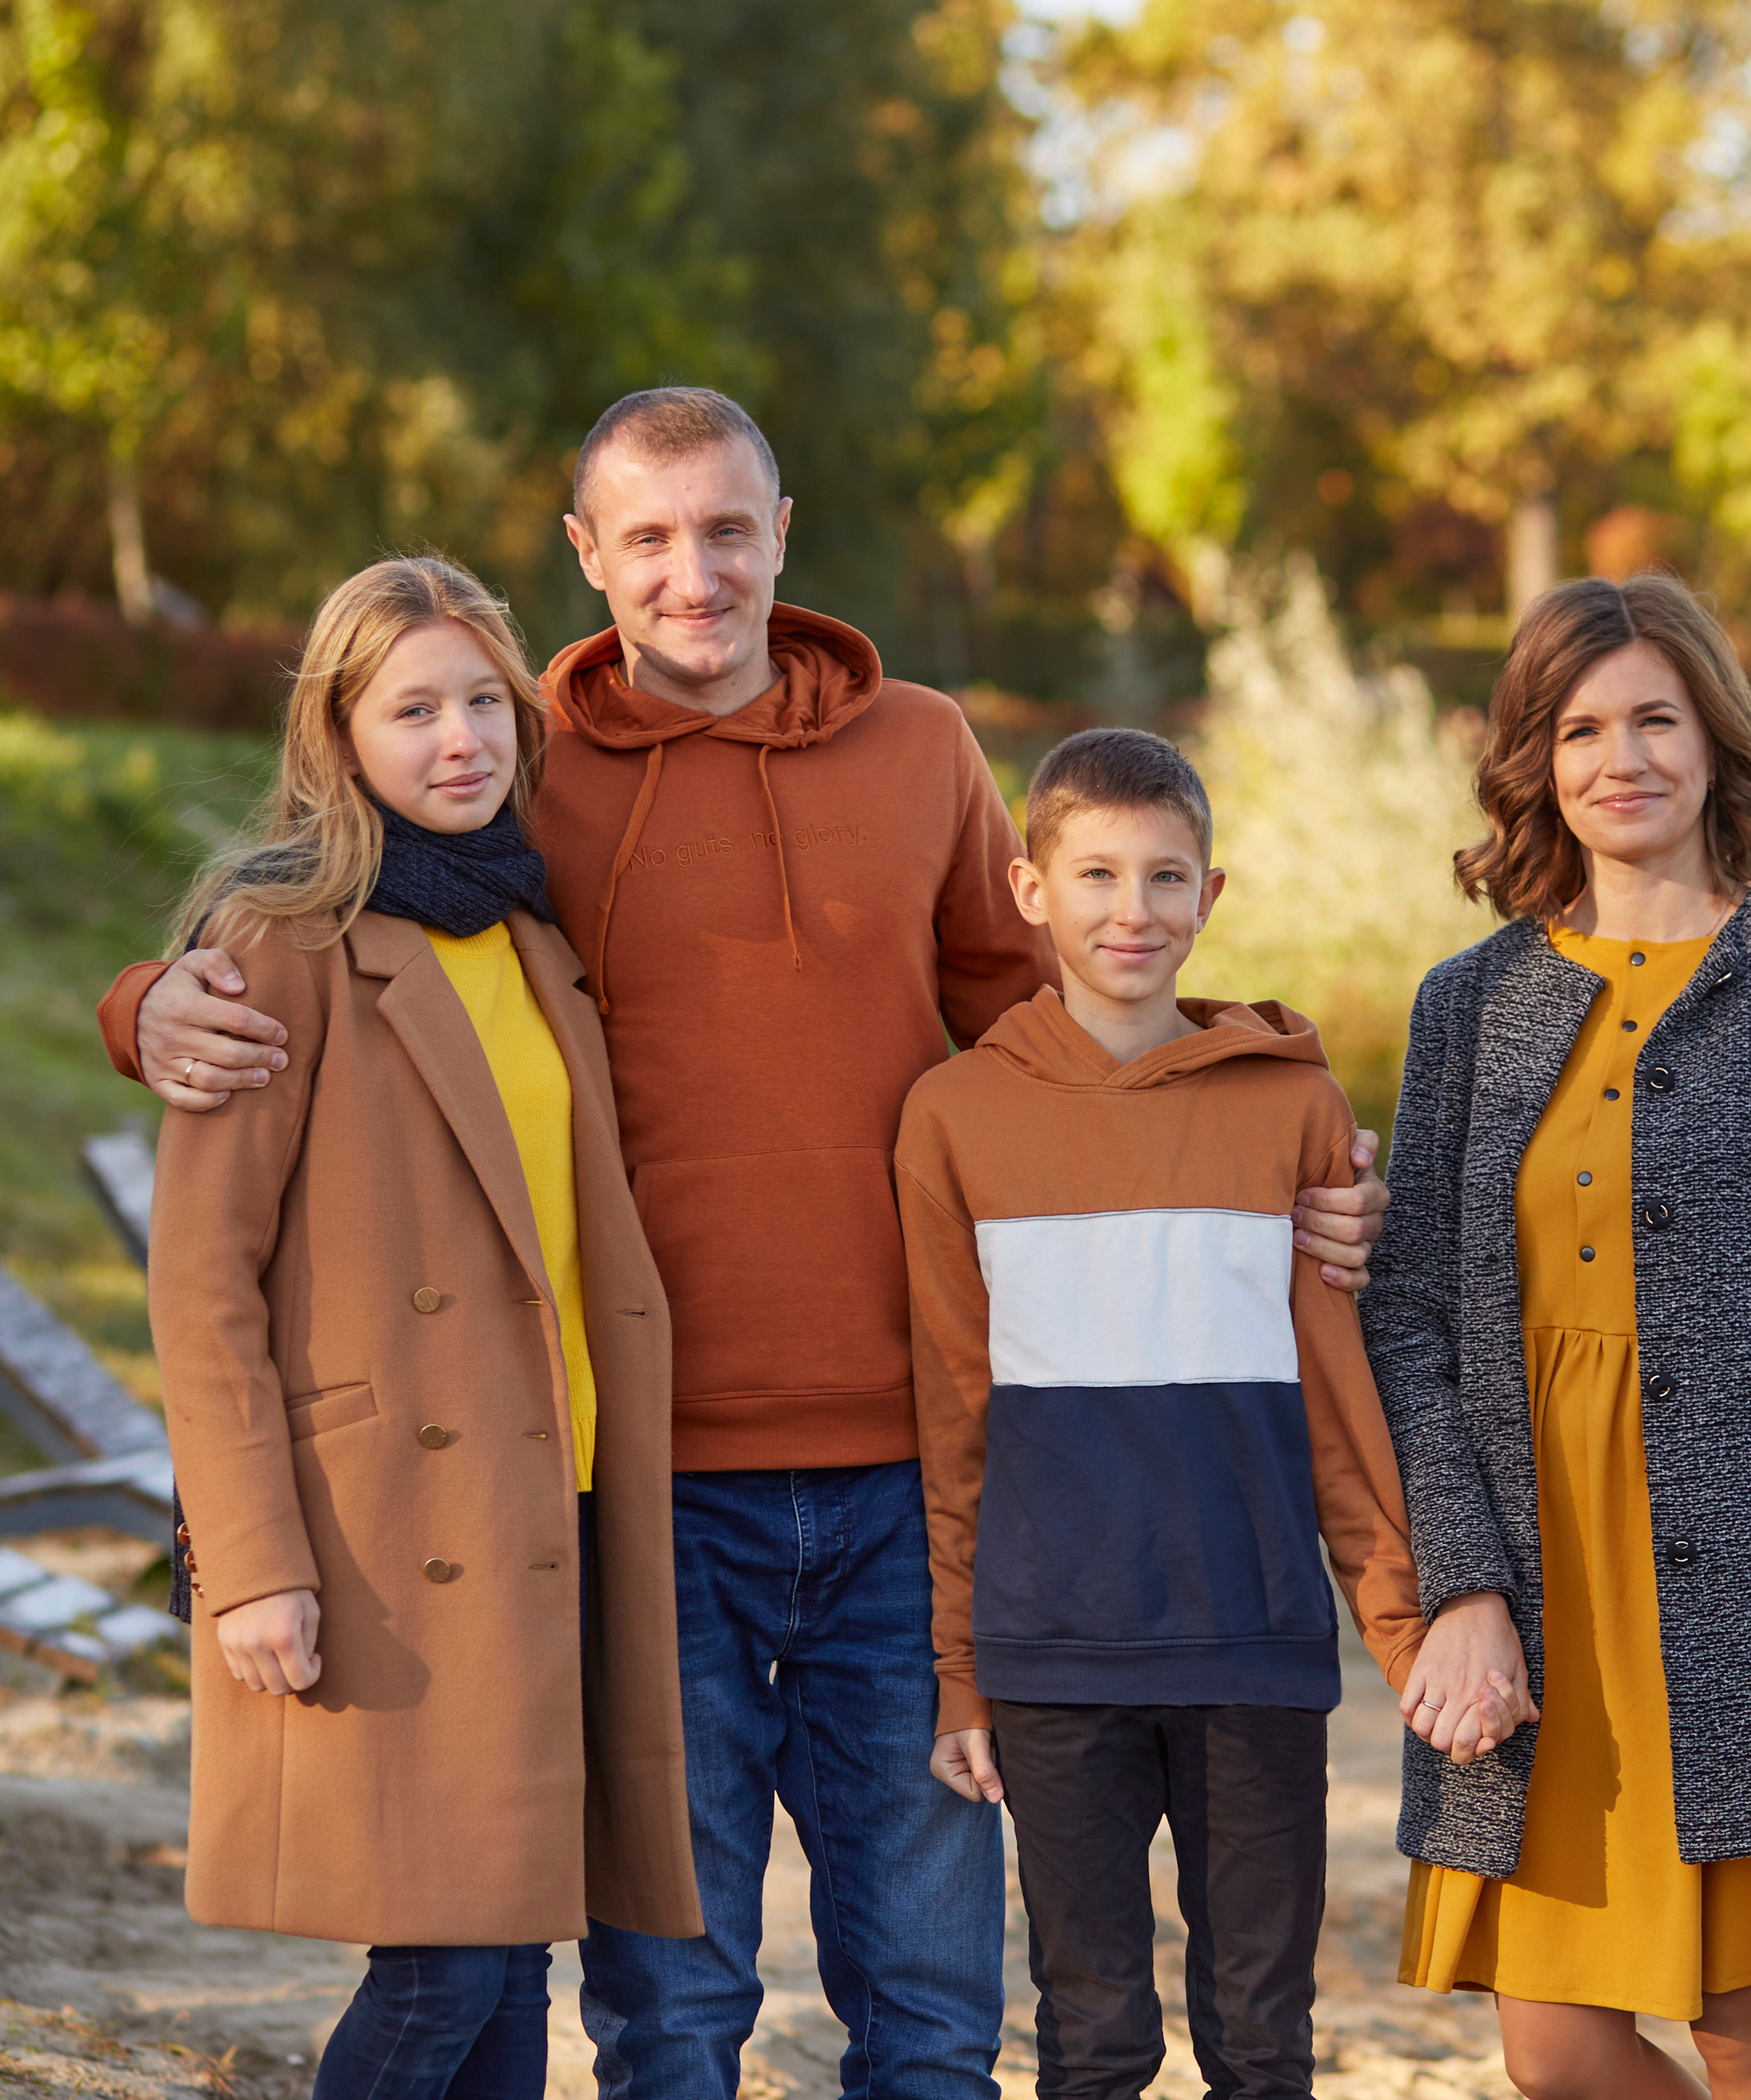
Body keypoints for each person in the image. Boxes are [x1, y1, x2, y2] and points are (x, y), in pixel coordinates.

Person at [98, 390, 1394, 2100]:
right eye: (646, 536)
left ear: (783, 532)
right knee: (669, 2014)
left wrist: (1273, 1119)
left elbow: (1066, 1018)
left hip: (907, 1472)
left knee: (931, 2010)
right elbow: (339, 903)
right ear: (587, 555)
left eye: (725, 528)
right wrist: (147, 1003)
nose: (691, 572)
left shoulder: (922, 749)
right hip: (637, 1492)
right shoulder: (528, 774)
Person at [1360, 573, 1751, 2100]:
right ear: (1536, 763)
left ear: (1716, 737)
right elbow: (1409, 1320)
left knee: (1749, 2038)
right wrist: (1461, 1588)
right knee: (1554, 2052)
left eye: (1656, 721)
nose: (1621, 759)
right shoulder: (1467, 1005)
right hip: (1536, 1571)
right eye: (1579, 730)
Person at [146, 556, 700, 2100]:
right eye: (411, 710)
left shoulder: (532, 932)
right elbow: (202, 1278)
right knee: (445, 1963)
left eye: (482, 704)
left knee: (513, 1951)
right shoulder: (283, 939)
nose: (459, 740)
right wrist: (250, 1560)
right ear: (338, 734)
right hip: (384, 1524)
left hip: (557, 1501)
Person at [897, 728, 1516, 2100]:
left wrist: (1402, 1625)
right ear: (1029, 890)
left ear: (1212, 895)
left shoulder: (1290, 1107)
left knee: (1262, 2036)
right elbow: (955, 1416)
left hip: (1255, 1646)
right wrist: (960, 1671)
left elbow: (1339, 1401)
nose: (1134, 910)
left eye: (1166, 877)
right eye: (1098, 874)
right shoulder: (953, 1116)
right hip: (1055, 1656)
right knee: (1093, 2035)